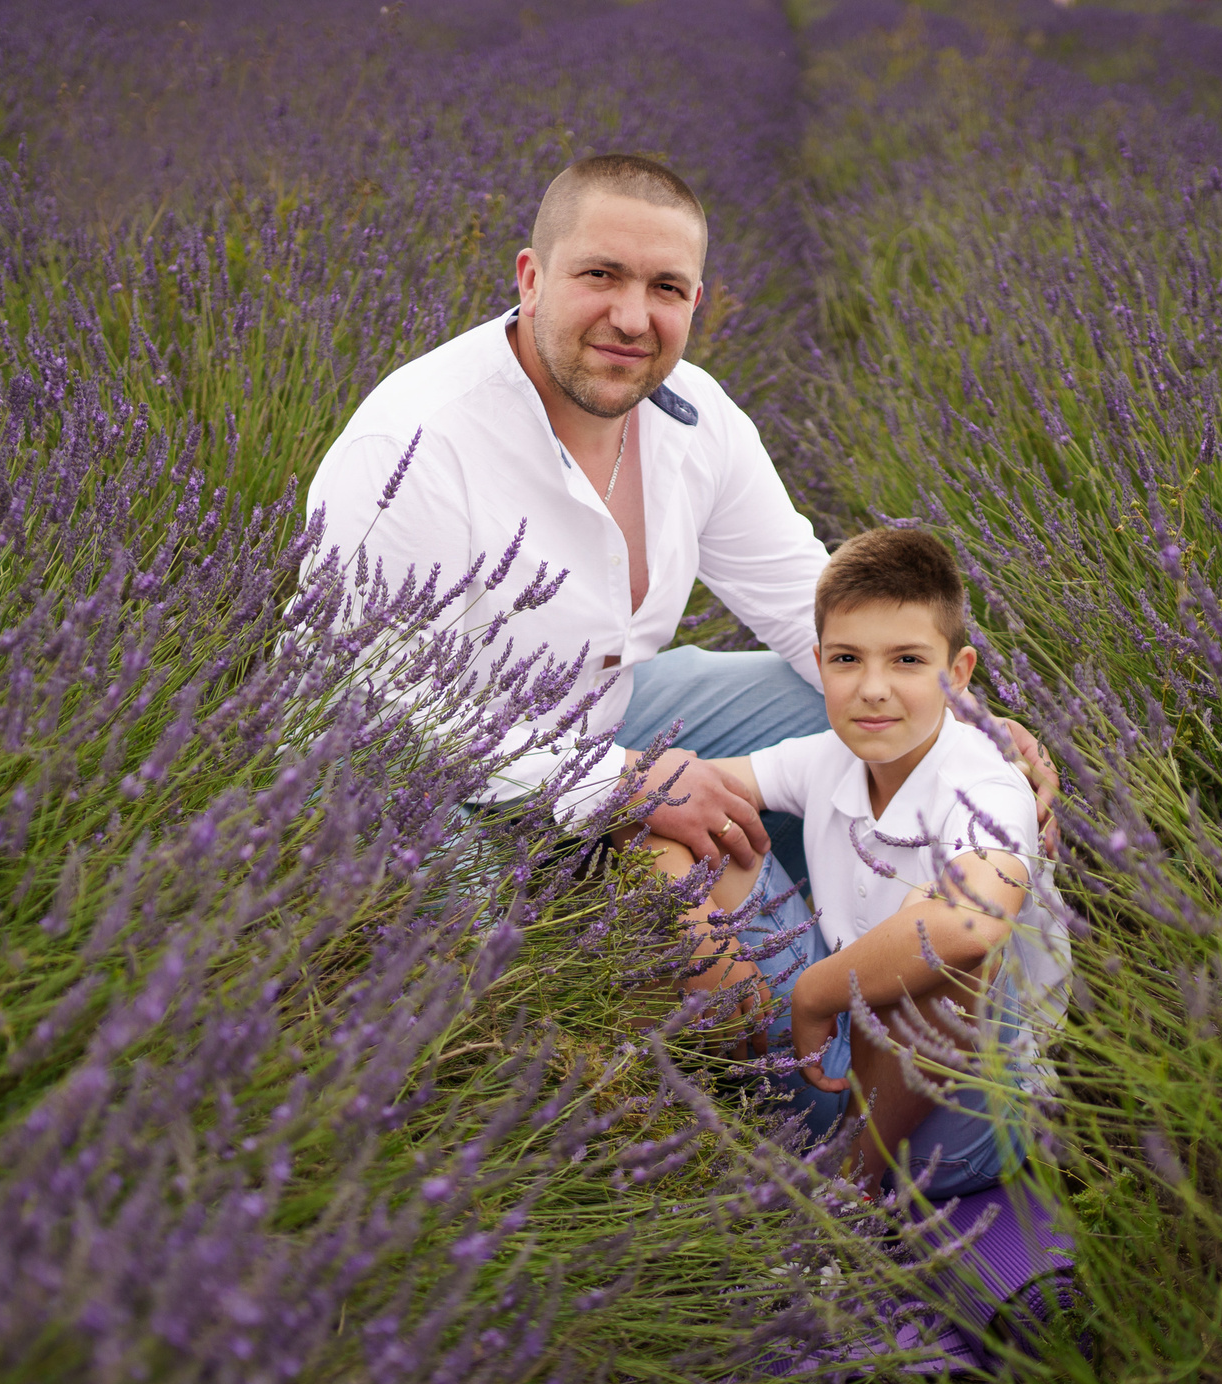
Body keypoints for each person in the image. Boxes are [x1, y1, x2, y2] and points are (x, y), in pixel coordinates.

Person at [304, 151, 1053, 878]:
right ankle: (762, 975)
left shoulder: (697, 417)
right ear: (532, 279)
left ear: (695, 301)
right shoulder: (415, 443)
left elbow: (808, 601)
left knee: (891, 727)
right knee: (463, 920)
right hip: (413, 775)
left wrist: (962, 728)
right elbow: (380, 704)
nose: (631, 318)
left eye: (665, 287)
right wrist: (625, 780)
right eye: (600, 275)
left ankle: (922, 967)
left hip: (604, 714)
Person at [632, 526, 1069, 1201]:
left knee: (942, 930)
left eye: (906, 661)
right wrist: (688, 912)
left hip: (961, 1107)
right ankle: (744, 1121)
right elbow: (671, 797)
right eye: (846, 659)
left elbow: (972, 925)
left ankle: (849, 1197)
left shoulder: (987, 785)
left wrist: (815, 991)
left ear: (957, 675)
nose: (872, 689)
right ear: (819, 662)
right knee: (703, 825)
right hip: (838, 1060)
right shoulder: (828, 756)